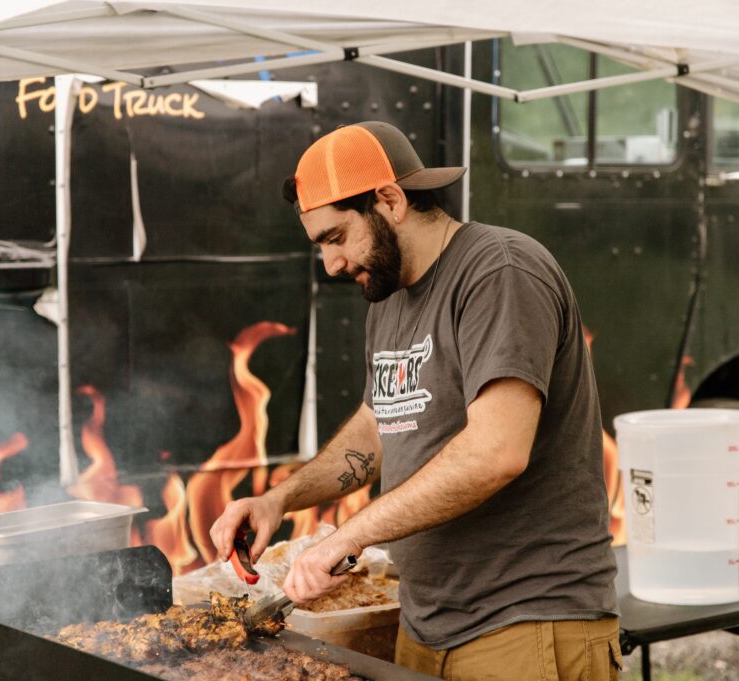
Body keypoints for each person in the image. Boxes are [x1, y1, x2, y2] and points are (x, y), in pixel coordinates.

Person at [210, 121, 620, 680]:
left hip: (527, 623)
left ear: (390, 200)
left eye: (336, 237)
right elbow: (377, 428)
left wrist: (349, 536)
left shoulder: (499, 271)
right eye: (321, 246)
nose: (331, 264)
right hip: (426, 624)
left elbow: (497, 452)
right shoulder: (389, 297)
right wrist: (279, 500)